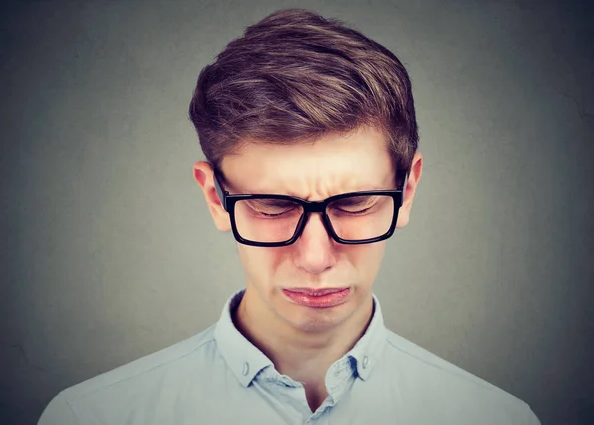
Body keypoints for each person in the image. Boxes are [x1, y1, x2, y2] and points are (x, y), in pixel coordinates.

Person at [39, 8, 540, 425]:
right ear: (216, 198)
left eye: (354, 203)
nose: (317, 258)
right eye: (274, 206)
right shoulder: (90, 416)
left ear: (406, 191)